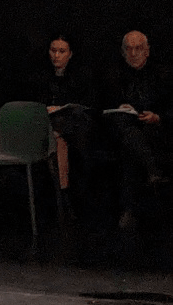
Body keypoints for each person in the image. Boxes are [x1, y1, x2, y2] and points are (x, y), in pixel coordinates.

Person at [101, 30, 172, 229]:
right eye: (129, 49)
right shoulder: (113, 75)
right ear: (123, 53)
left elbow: (168, 107)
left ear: (147, 51)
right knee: (123, 127)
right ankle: (152, 172)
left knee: (130, 146)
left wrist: (157, 117)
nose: (133, 53)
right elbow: (105, 107)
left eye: (138, 48)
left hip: (153, 130)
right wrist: (122, 107)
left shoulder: (162, 75)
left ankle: (129, 210)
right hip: (124, 130)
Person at [28, 32, 98, 216]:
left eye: (61, 51)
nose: (56, 56)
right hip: (43, 126)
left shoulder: (81, 75)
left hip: (74, 126)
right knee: (57, 136)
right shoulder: (40, 76)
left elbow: (86, 106)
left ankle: (66, 195)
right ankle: (63, 195)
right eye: (53, 50)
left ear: (70, 54)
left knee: (66, 132)